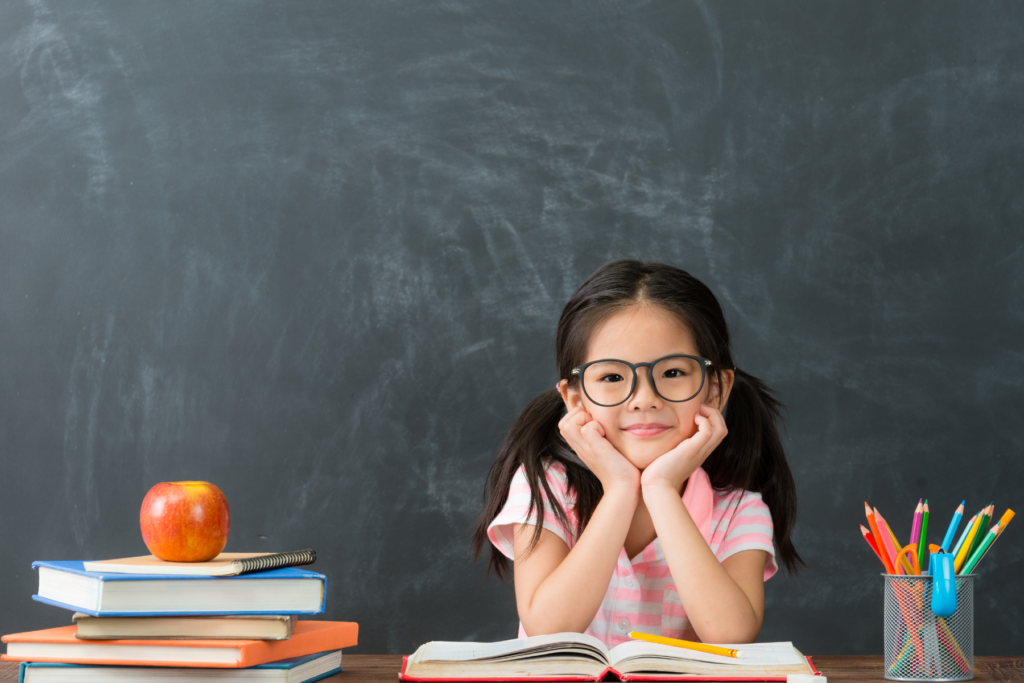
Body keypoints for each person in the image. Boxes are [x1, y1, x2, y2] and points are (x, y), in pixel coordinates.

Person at [471, 259, 802, 647]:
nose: (644, 399)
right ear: (575, 398)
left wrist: (661, 489)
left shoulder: (738, 511)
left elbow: (731, 635)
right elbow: (548, 628)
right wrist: (619, 490)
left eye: (673, 373)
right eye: (612, 377)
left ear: (716, 387)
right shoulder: (546, 485)